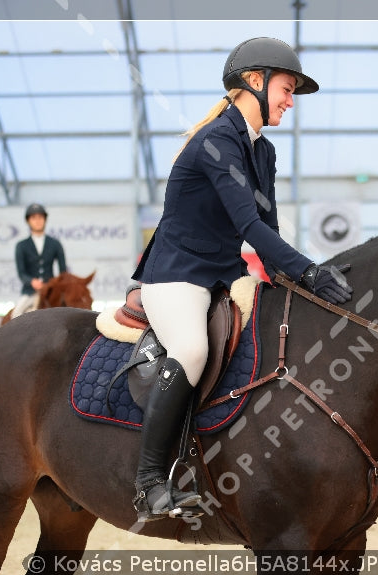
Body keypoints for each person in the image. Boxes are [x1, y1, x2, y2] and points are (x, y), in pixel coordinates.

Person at [129, 37, 354, 522]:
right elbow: (249, 227)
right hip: (177, 274)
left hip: (223, 275)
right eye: (287, 90)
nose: (290, 102)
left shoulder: (263, 151)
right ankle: (149, 482)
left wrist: (295, 283)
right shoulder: (215, 139)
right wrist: (309, 271)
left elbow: (267, 230)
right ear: (256, 81)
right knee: (191, 350)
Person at [11, 203, 67, 318]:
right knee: (15, 315)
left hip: (51, 291)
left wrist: (53, 284)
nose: (37, 221)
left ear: (45, 220)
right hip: (30, 291)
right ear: (28, 221)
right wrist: (32, 281)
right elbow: (21, 272)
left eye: (40, 217)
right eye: (34, 218)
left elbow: (63, 272)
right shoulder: (21, 246)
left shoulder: (55, 244)